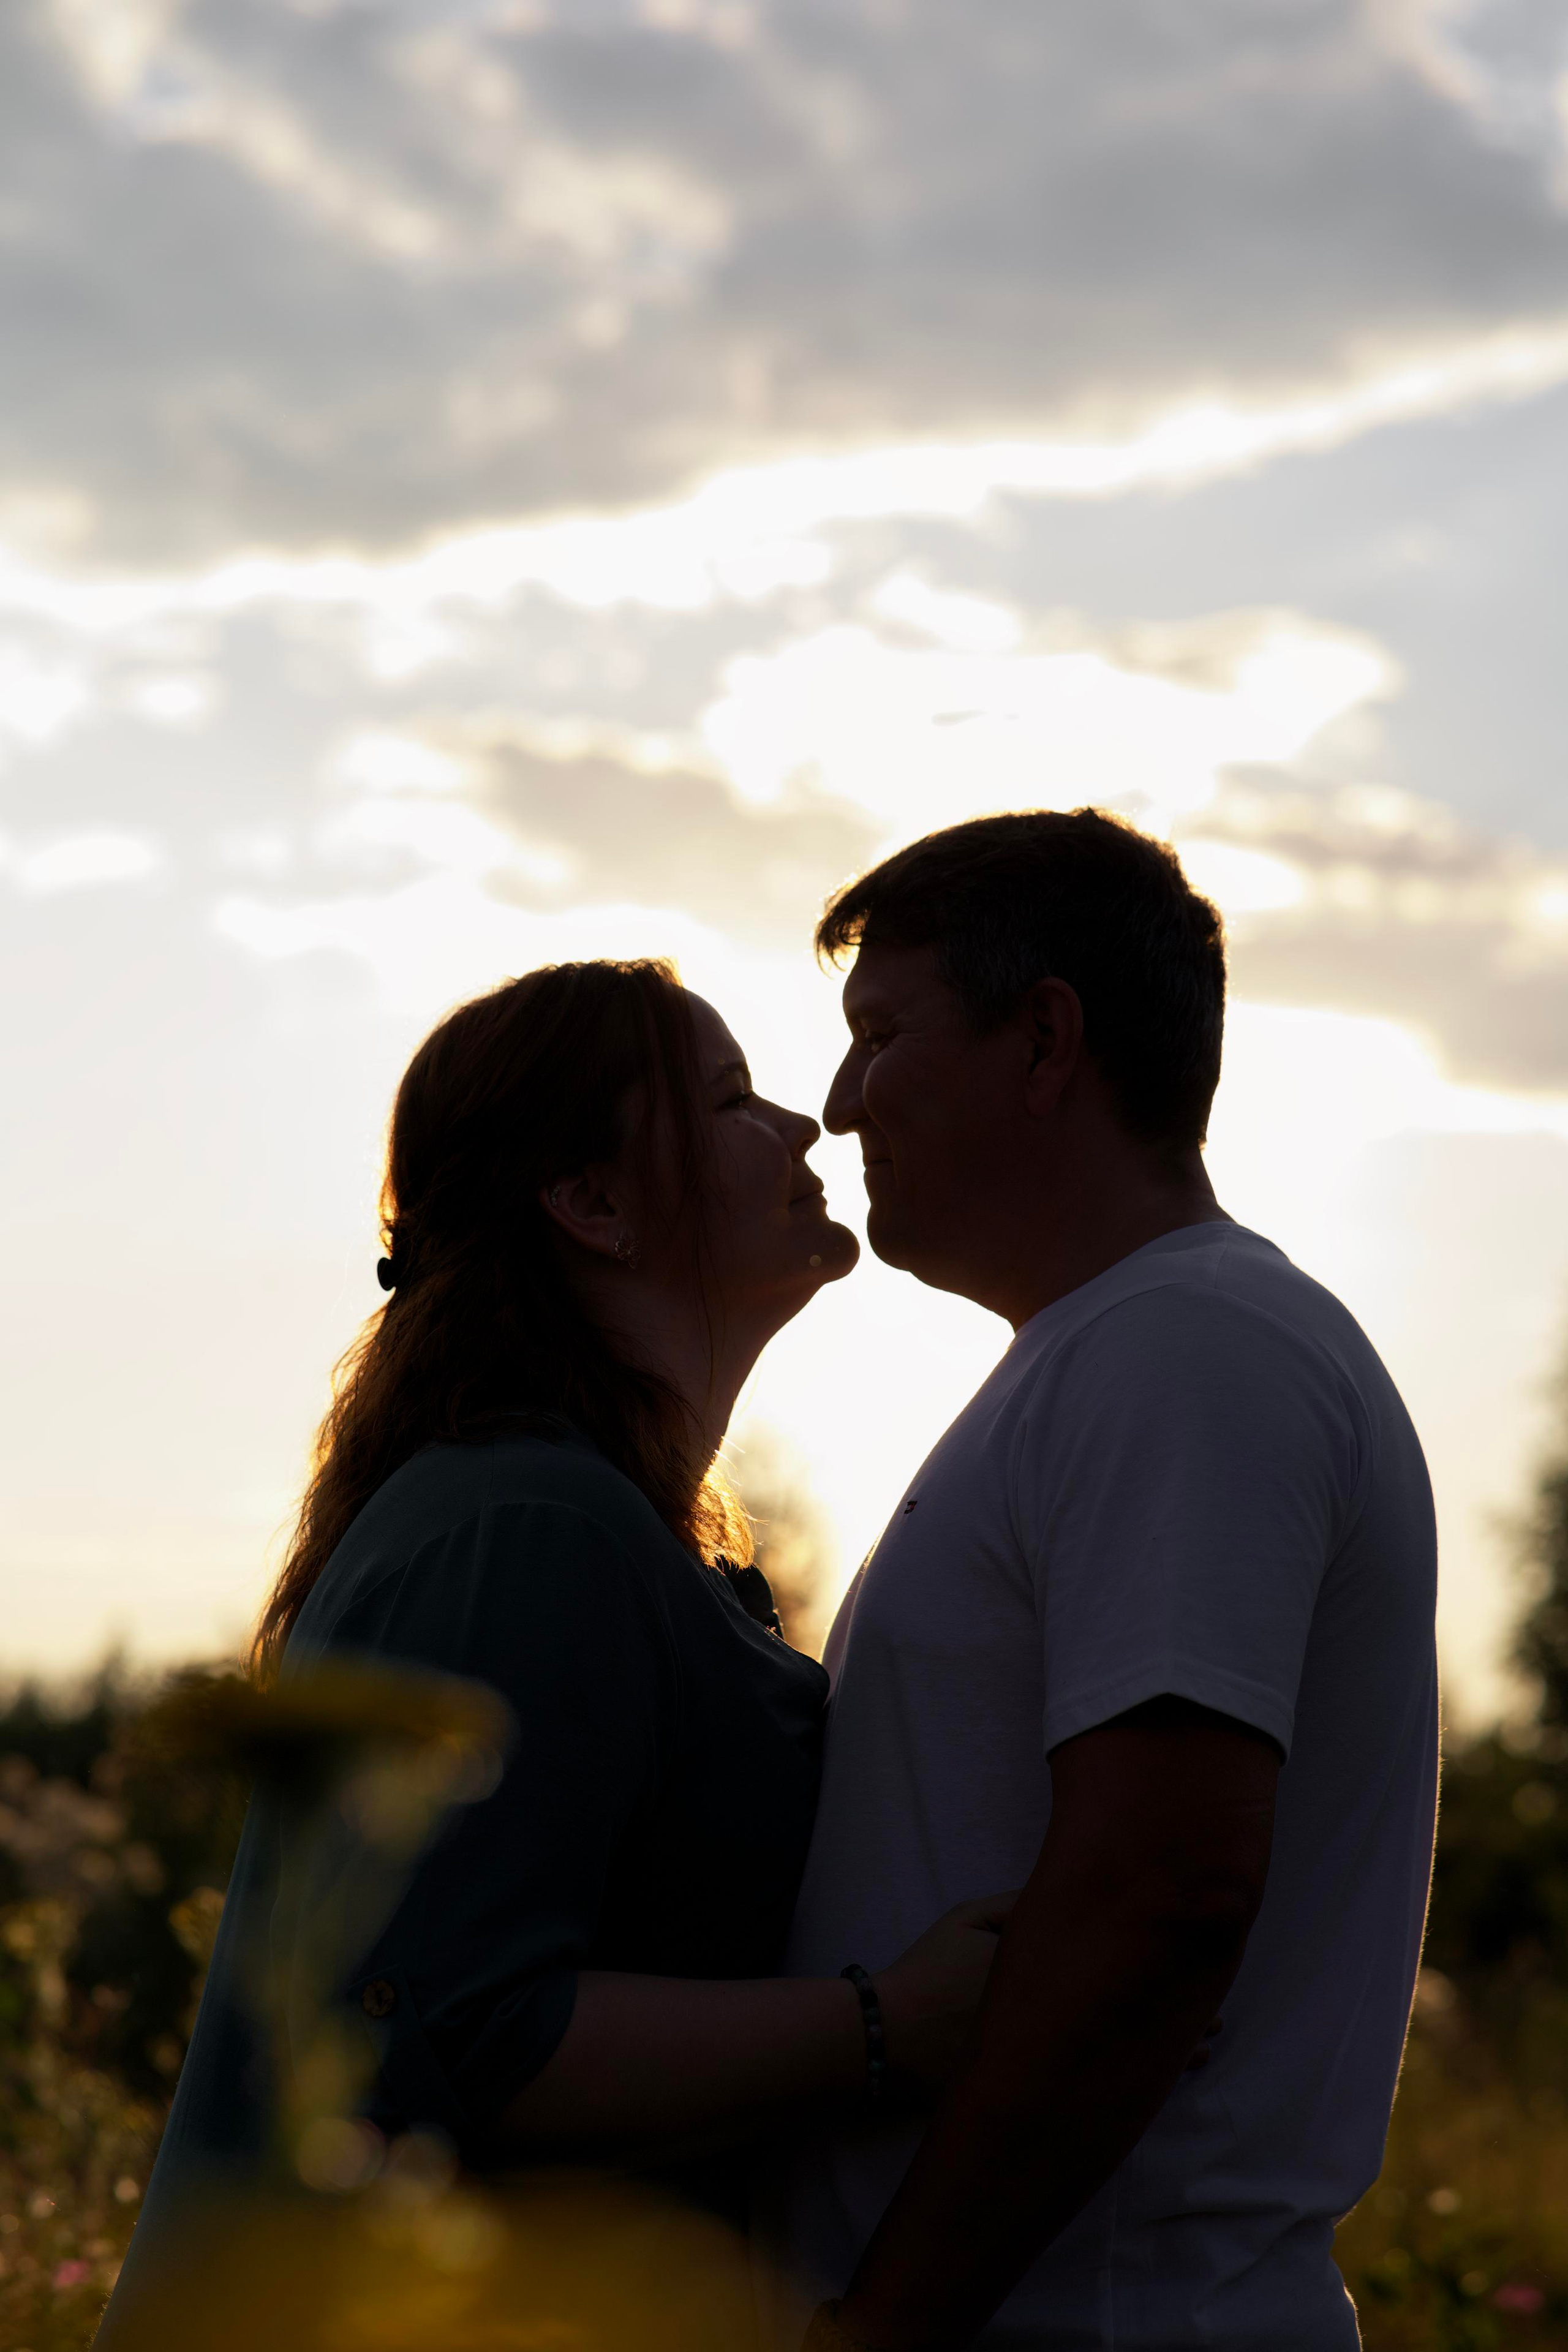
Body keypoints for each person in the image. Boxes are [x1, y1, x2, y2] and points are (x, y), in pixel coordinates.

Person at [96, 958, 1009, 2342]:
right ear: (589, 1203)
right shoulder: (525, 1525)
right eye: (724, 1097)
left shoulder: (605, 1529)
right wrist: (885, 2027)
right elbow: (470, 2033)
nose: (799, 1126)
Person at [760, 810, 1439, 2352]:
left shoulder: (1184, 1350)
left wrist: (884, 2326)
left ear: (1042, 1040)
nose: (839, 1100)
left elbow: (1161, 1892)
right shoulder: (1115, 1353)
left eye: (880, 1034)